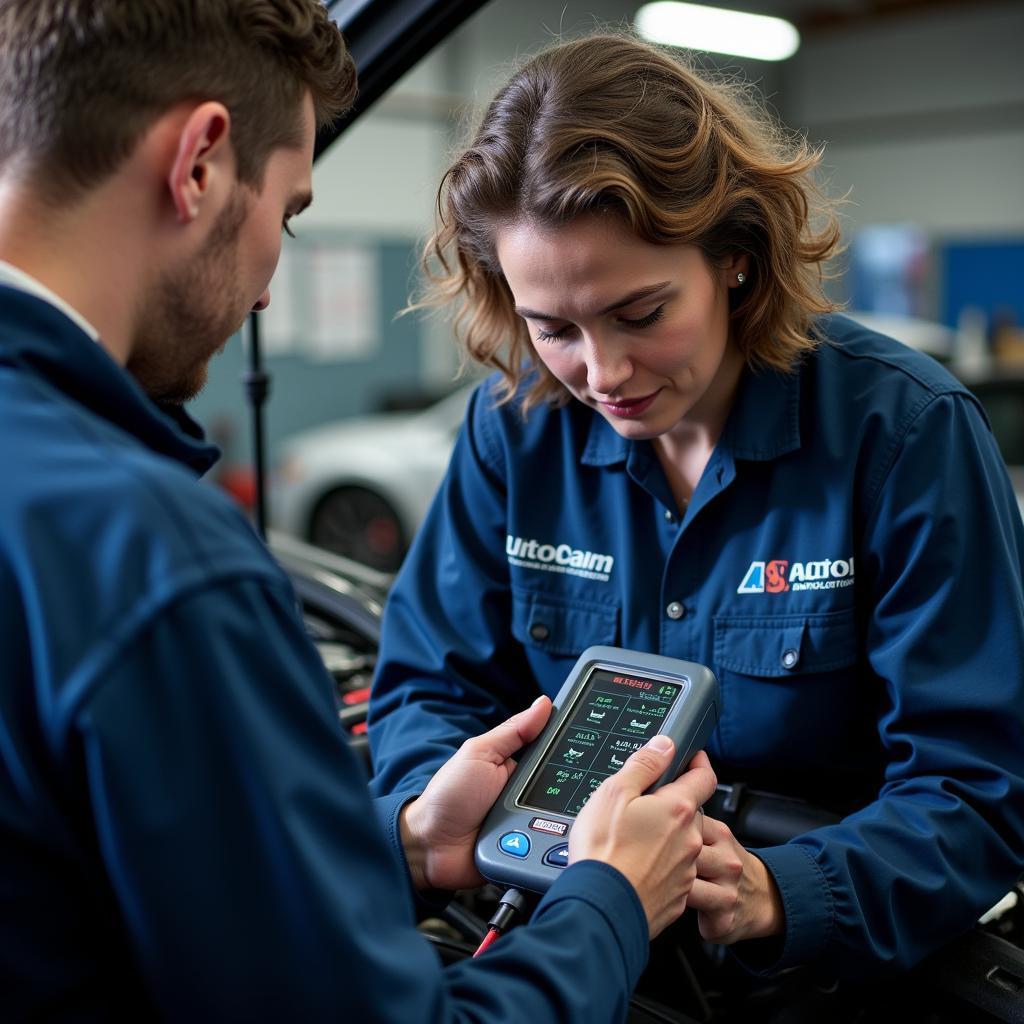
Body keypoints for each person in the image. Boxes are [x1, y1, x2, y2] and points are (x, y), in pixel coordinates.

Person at [0, 5, 719, 1020]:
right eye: (288, 212)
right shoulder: (153, 558)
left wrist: (412, 842)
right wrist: (606, 903)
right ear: (200, 162)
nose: (263, 288)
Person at [367, 31, 1024, 998]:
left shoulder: (906, 434)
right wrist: (433, 811)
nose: (603, 374)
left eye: (639, 314)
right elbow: (428, 686)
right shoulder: (511, 429)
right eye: (554, 328)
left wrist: (777, 891)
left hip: (818, 979)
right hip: (564, 958)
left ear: (737, 257)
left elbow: (977, 786)